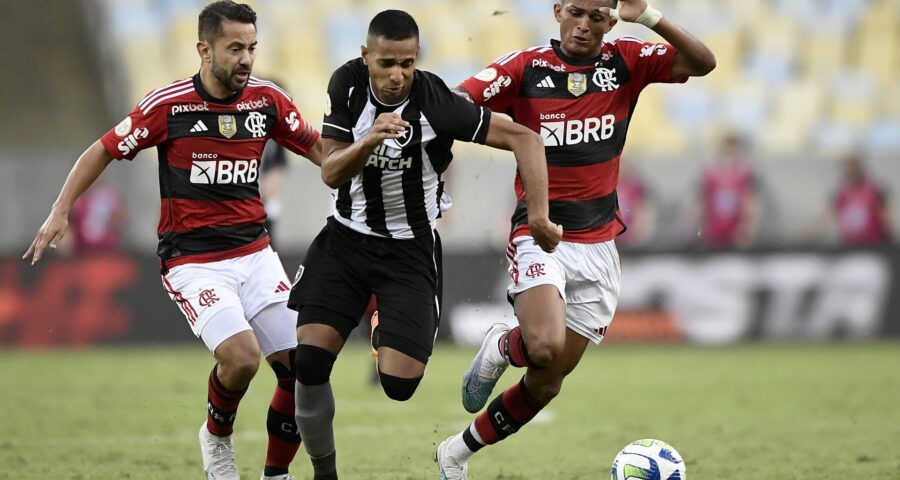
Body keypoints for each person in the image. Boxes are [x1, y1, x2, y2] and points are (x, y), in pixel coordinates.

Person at [23, 2, 322, 479]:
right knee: (242, 359)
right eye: (235, 49)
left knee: (301, 366)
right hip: (194, 261)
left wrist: (365, 158)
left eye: (252, 48)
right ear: (204, 49)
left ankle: (275, 474)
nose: (246, 59)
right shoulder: (170, 105)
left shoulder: (267, 100)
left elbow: (321, 151)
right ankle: (216, 437)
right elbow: (101, 149)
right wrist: (60, 212)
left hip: (256, 254)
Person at [437, 1, 715, 478]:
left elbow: (704, 62)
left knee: (546, 384)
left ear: (611, 21)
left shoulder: (626, 60)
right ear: (558, 10)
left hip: (600, 244)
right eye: (576, 12)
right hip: (539, 233)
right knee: (541, 346)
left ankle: (456, 452)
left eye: (597, 17)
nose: (584, 26)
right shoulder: (523, 67)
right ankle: (504, 347)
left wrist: (646, 15)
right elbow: (454, 104)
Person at [286, 10, 560, 480]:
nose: (397, 76)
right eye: (387, 63)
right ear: (365, 56)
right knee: (308, 361)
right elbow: (330, 171)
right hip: (345, 241)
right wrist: (370, 138)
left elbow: (526, 138)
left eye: (407, 64)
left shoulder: (437, 102)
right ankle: (323, 474)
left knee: (398, 385)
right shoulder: (347, 85)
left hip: (409, 252)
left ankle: (380, 323)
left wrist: (539, 215)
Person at [802, 152, 894, 246]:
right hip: (850, 244)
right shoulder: (842, 193)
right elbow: (827, 217)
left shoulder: (873, 190)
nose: (850, 170)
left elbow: (884, 215)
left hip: (874, 244)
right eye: (848, 167)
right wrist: (806, 237)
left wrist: (891, 237)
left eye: (853, 166)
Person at [686, 132, 761, 248]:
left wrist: (747, 227)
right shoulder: (710, 174)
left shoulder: (744, 174)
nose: (729, 156)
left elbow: (750, 202)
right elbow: (701, 202)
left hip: (736, 235)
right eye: (726, 151)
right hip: (712, 234)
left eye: (732, 151)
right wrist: (698, 229)